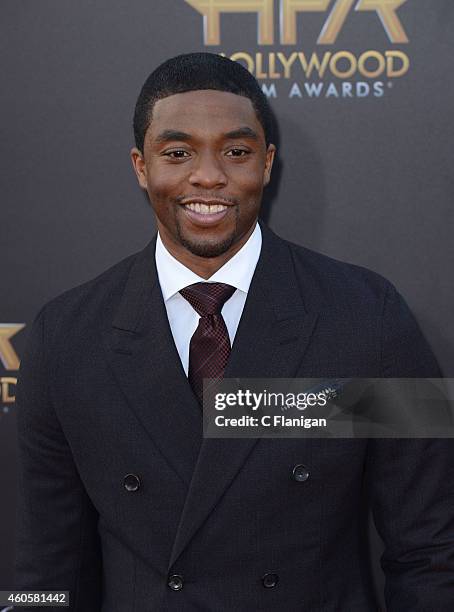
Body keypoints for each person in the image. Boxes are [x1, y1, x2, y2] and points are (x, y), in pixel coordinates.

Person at [14, 52, 454, 611]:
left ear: (267, 164)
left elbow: (432, 551)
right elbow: (42, 567)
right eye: (177, 153)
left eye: (236, 152)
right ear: (140, 166)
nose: (208, 176)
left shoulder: (369, 315)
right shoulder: (66, 336)